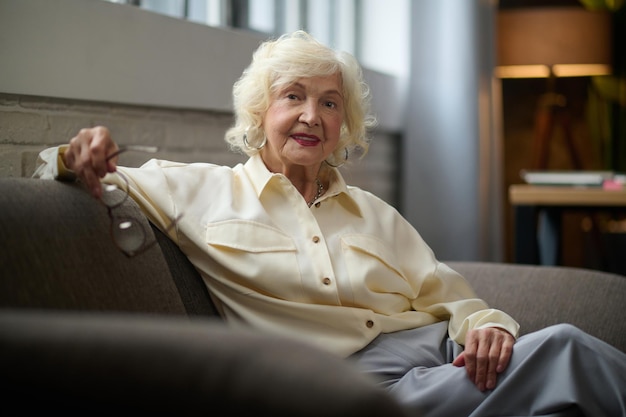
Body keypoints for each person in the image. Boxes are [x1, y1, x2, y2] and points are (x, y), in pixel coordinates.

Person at [34, 30, 625, 417]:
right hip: (353, 385)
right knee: (567, 353)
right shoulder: (202, 190)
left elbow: (452, 297)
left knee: (558, 373)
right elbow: (79, 177)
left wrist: (488, 326)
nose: (311, 116)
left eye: (330, 102)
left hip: (440, 355)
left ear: (344, 124)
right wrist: (76, 151)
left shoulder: (375, 214)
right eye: (294, 97)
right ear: (262, 112)